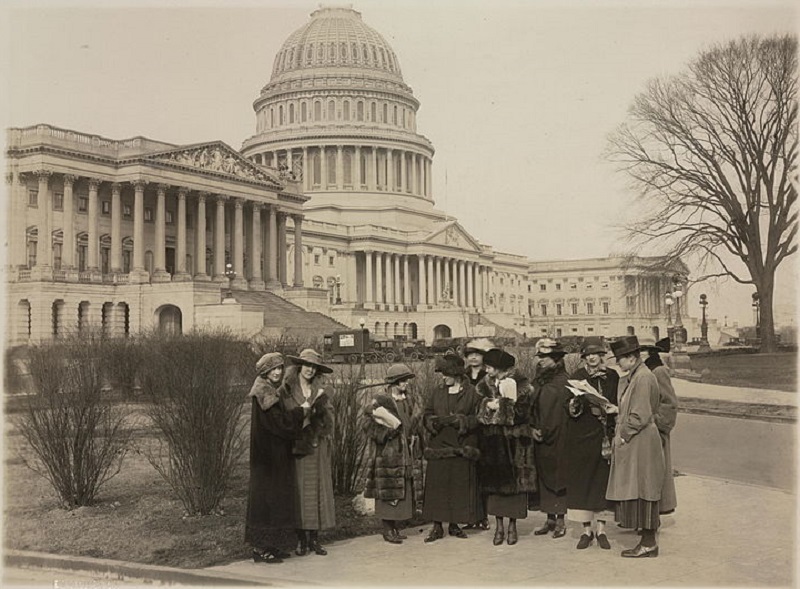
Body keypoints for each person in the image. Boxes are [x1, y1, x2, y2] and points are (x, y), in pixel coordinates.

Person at [245, 352, 308, 564]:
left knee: (273, 500)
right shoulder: (265, 394)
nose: (278, 372)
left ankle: (270, 546)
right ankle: (261, 549)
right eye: (274, 369)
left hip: (271, 456)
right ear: (265, 372)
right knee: (267, 502)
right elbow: (281, 425)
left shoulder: (267, 391)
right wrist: (302, 412)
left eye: (280, 368)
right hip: (269, 459)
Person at [606, 336, 666, 558]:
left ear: (631, 358)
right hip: (639, 440)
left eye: (619, 359)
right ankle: (648, 540)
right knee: (642, 487)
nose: (617, 364)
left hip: (640, 441)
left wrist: (623, 435)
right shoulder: (637, 376)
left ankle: (649, 543)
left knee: (645, 489)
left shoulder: (642, 378)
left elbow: (640, 415)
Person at [476, 348, 537, 546]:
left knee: (515, 485)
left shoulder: (521, 384)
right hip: (494, 441)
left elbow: (522, 413)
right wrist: (487, 406)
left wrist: (500, 407)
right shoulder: (484, 385)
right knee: (495, 487)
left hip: (515, 441)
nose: (486, 369)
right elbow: (478, 412)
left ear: (499, 367)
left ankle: (512, 526)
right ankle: (499, 526)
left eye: (489, 366)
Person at [279, 348, 336, 557]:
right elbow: (284, 418)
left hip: (317, 446)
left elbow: (329, 418)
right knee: (301, 492)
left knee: (317, 490)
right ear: (299, 366)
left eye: (314, 367)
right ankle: (300, 539)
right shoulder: (287, 389)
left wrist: (320, 415)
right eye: (307, 365)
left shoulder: (320, 390)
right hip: (298, 447)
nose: (310, 370)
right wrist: (302, 414)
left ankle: (314, 539)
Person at [565, 337, 619, 550]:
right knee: (583, 482)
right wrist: (574, 403)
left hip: (605, 435)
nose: (592, 358)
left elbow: (619, 400)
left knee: (602, 483)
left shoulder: (611, 376)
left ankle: (602, 530)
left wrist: (610, 408)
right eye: (588, 355)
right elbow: (568, 408)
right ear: (584, 358)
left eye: (596, 354)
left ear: (602, 355)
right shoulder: (577, 377)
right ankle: (586, 530)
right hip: (581, 436)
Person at [422, 354, 483, 542]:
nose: (443, 377)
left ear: (455, 374)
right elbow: (427, 413)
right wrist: (432, 422)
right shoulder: (437, 391)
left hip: (460, 444)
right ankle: (437, 526)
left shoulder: (472, 392)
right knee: (437, 486)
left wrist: (461, 421)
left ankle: (455, 525)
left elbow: (479, 418)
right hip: (439, 445)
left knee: (457, 486)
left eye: (446, 373)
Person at [361, 364, 424, 544]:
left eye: (406, 380)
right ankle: (387, 528)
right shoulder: (380, 401)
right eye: (402, 380)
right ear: (393, 382)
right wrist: (387, 432)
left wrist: (415, 437)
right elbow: (367, 425)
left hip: (406, 452)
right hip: (387, 454)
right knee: (387, 490)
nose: (405, 384)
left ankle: (395, 526)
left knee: (402, 489)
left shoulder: (409, 400)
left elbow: (414, 422)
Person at [531, 338, 571, 539]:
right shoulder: (539, 380)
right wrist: (532, 428)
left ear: (556, 359)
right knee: (545, 476)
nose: (541, 361)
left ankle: (561, 520)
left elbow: (559, 412)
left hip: (559, 436)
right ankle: (550, 518)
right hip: (540, 435)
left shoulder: (563, 381)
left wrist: (546, 430)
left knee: (559, 477)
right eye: (540, 357)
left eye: (545, 358)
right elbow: (530, 405)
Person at [640, 336, 678, 515]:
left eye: (640, 351)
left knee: (658, 469)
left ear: (649, 352)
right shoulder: (644, 370)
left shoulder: (658, 371)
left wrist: (656, 422)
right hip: (644, 428)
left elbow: (669, 402)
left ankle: (657, 511)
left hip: (655, 428)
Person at [462, 337, 494, 530]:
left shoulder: (488, 376)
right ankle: (471, 515)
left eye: (477, 354)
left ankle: (484, 515)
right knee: (468, 473)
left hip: (485, 429)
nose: (473, 358)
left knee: (484, 472)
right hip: (467, 427)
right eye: (470, 355)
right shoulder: (463, 376)